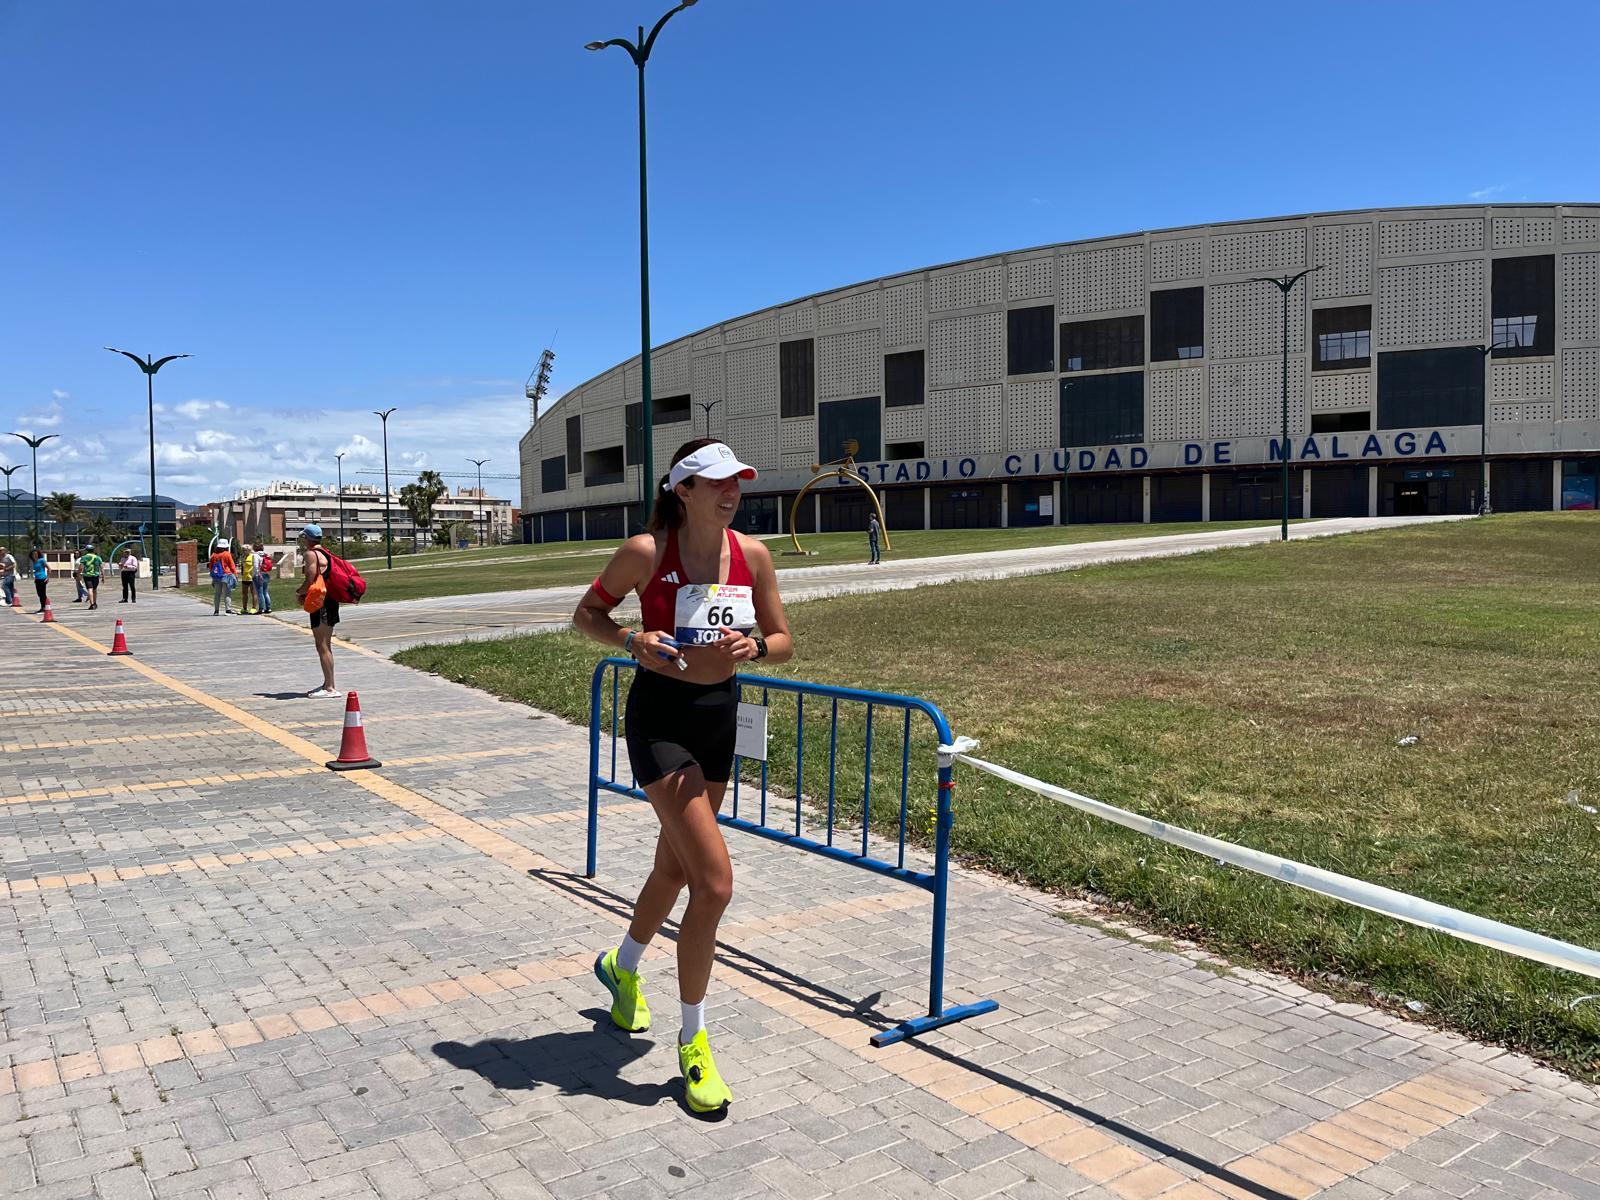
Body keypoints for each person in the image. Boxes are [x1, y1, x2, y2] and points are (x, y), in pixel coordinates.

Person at [573, 437, 794, 1115]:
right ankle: (694, 1042)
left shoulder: (751, 555)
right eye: (718, 482)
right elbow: (586, 616)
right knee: (715, 882)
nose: (732, 493)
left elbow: (784, 641)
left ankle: (622, 966)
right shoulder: (646, 552)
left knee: (674, 870)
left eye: (738, 483)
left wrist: (754, 644)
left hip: (718, 718)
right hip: (660, 721)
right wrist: (629, 640)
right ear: (683, 490)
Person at [295, 525, 341, 698]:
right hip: (330, 601)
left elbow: (310, 577)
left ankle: (329, 688)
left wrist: (300, 592)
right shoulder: (326, 553)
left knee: (321, 645)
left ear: (307, 538)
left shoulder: (311, 554)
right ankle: (328, 683)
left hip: (321, 604)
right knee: (326, 645)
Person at [209, 539, 238, 615]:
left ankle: (216, 610)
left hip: (216, 576)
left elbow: (211, 567)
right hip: (226, 575)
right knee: (227, 593)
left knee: (217, 593)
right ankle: (228, 610)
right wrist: (235, 574)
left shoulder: (213, 555)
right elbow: (232, 565)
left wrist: (212, 577)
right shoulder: (227, 554)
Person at [78, 545, 103, 611]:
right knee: (94, 589)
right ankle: (95, 603)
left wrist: (78, 574)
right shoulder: (98, 557)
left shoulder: (84, 557)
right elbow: (101, 567)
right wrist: (103, 576)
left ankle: (91, 604)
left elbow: (81, 567)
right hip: (96, 575)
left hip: (87, 575)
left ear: (86, 550)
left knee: (90, 589)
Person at [253, 544, 273, 614]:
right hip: (266, 574)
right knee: (265, 592)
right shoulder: (265, 555)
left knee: (260, 592)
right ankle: (268, 607)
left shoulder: (255, 555)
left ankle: (261, 608)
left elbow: (255, 566)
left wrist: (255, 574)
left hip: (259, 575)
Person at [238, 542, 256, 614]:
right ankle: (244, 608)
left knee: (253, 593)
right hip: (245, 578)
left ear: (249, 550)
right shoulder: (243, 557)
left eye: (245, 550)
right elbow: (242, 566)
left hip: (252, 577)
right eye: (243, 550)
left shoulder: (252, 556)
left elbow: (255, 566)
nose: (244, 551)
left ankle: (254, 608)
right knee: (244, 593)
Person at [29, 547, 49, 612]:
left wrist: (48, 577)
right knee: (39, 593)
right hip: (37, 579)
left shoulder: (42, 560)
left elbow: (49, 568)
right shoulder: (35, 562)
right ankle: (43, 606)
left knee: (43, 593)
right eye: (33, 554)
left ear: (38, 554)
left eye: (36, 554)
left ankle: (45, 607)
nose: (35, 555)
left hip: (42, 578)